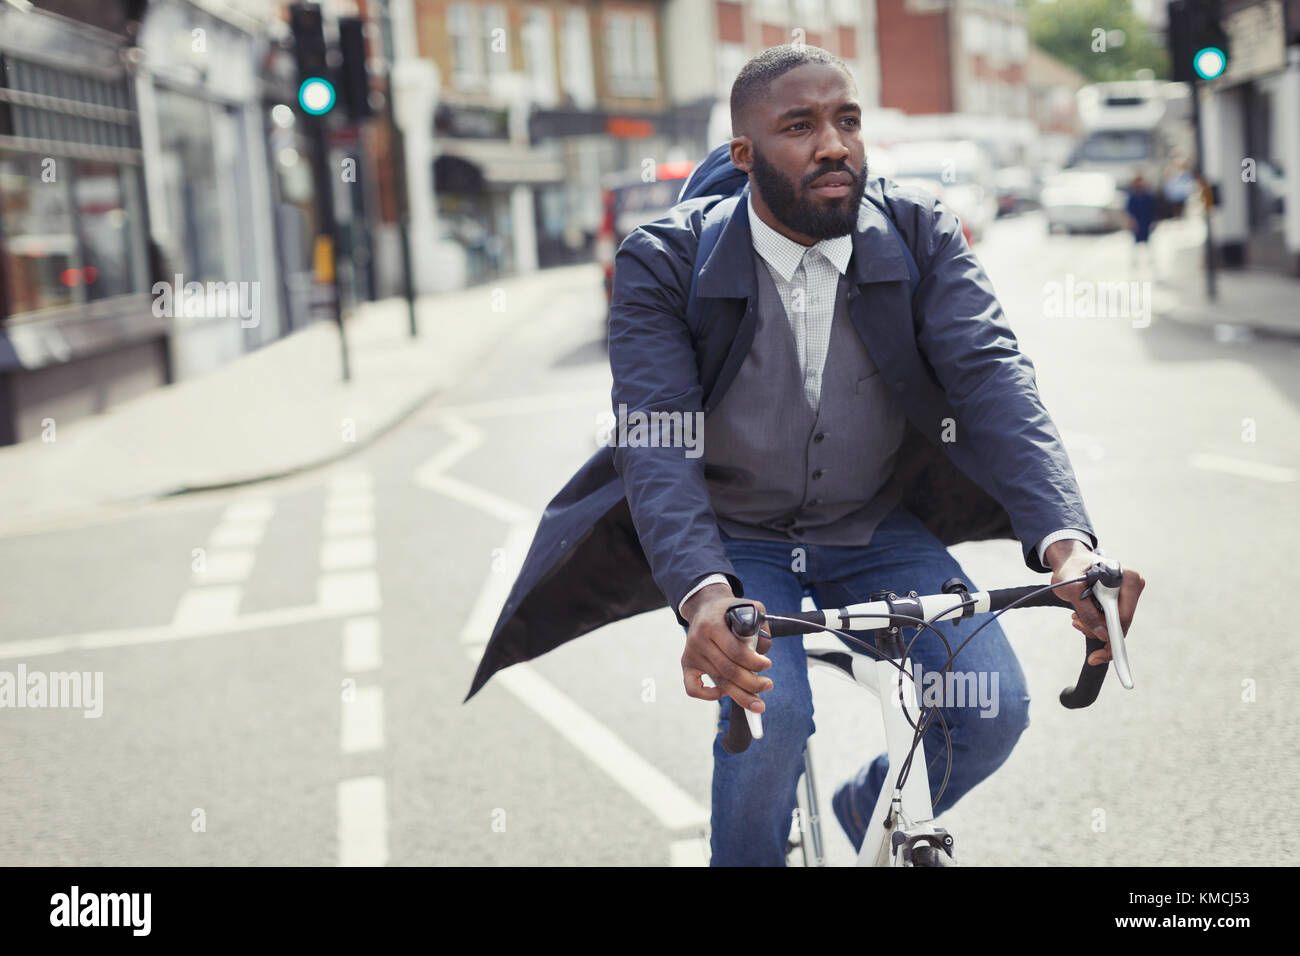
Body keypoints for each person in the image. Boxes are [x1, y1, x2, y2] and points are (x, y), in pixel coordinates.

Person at [464, 45, 1145, 866]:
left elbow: (994, 380)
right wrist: (703, 594)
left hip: (871, 528)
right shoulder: (663, 261)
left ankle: (870, 811)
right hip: (739, 539)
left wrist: (1068, 542)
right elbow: (657, 439)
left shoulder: (921, 233)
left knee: (991, 705)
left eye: (847, 120)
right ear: (745, 155)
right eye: (801, 126)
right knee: (770, 715)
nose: (834, 144)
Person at [1125, 175, 1159, 271]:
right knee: (1135, 243)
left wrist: (1154, 221)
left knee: (1149, 243)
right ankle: (1135, 262)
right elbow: (1129, 211)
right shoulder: (1132, 197)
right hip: (1137, 223)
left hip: (1146, 222)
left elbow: (1154, 210)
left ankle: (1151, 261)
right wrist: (1130, 222)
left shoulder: (1148, 196)